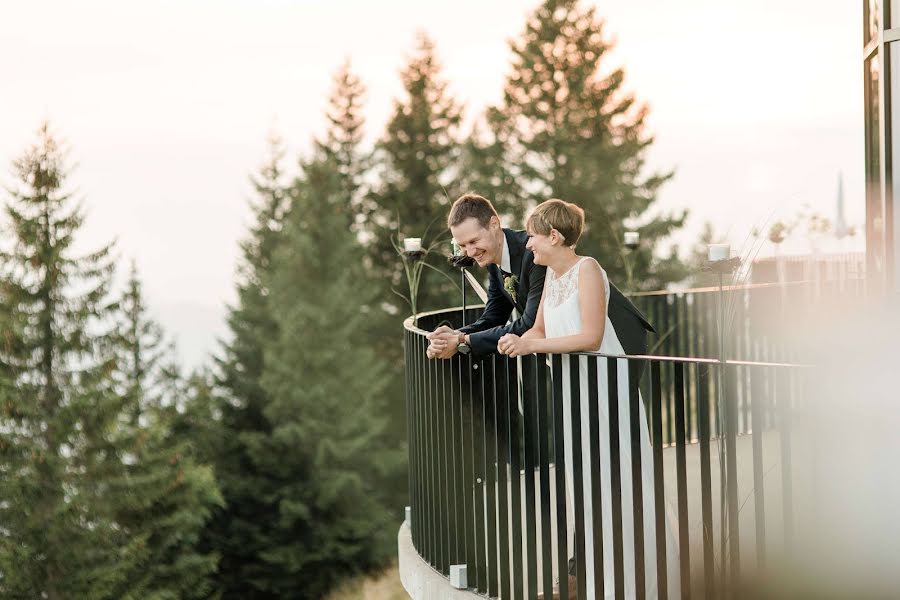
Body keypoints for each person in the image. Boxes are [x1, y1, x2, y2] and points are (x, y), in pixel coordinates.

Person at [498, 199, 680, 599]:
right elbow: (539, 330)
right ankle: (603, 582)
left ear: (554, 236)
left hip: (604, 388)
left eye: (532, 236)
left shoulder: (588, 270)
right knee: (585, 485)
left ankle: (639, 582)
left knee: (617, 478)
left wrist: (533, 349)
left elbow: (592, 337)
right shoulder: (550, 277)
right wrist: (515, 341)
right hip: (571, 388)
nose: (528, 245)